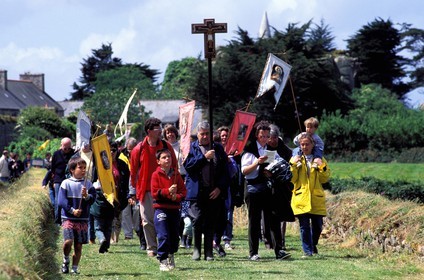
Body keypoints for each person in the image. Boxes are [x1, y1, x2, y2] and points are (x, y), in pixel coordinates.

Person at [241, 120, 291, 261]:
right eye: (262, 136)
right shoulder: (250, 149)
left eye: (267, 136)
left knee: (274, 219)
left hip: (268, 189)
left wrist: (275, 170)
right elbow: (244, 171)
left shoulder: (270, 149)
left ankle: (279, 250)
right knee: (254, 221)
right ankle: (253, 253)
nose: (265, 139)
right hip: (253, 189)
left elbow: (280, 162)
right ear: (257, 135)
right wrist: (257, 163)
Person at [130, 117, 178, 257]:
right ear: (149, 131)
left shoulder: (166, 146)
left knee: (165, 219)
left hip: (165, 189)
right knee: (147, 220)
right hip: (145, 189)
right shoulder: (138, 149)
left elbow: (174, 166)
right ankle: (152, 247)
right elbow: (133, 172)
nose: (161, 130)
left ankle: (166, 244)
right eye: (158, 128)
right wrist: (134, 190)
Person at [183, 121, 230, 261]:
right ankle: (197, 249)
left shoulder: (218, 149)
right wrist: (204, 158)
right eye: (202, 134)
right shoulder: (191, 148)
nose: (204, 137)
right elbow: (189, 166)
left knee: (211, 221)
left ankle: (208, 251)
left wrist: (219, 188)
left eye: (207, 134)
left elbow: (225, 172)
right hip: (197, 192)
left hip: (213, 191)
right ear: (197, 134)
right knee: (197, 219)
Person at [289, 133, 331, 257]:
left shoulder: (320, 159)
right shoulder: (295, 159)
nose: (305, 146)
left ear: (313, 145)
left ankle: (312, 246)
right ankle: (307, 251)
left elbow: (325, 179)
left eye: (307, 144)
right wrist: (293, 166)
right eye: (302, 144)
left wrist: (321, 166)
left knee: (318, 226)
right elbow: (292, 179)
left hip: (315, 199)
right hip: (301, 197)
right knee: (304, 226)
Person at [58, 157, 96, 274]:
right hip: (68, 218)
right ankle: (65, 260)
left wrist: (86, 196)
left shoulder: (88, 184)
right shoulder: (66, 183)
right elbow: (61, 201)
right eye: (80, 168)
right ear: (72, 170)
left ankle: (74, 268)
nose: (83, 170)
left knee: (78, 246)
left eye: (85, 168)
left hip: (82, 220)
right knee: (68, 241)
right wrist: (72, 210)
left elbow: (92, 199)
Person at [151, 148, 186, 271]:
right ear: (158, 161)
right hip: (161, 209)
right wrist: (167, 192)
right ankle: (163, 259)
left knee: (174, 236)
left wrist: (177, 196)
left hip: (174, 210)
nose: (167, 159)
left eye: (169, 157)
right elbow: (155, 193)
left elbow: (183, 192)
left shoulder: (176, 174)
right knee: (163, 235)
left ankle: (171, 254)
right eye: (164, 157)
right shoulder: (155, 175)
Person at [267, 124, 295, 250]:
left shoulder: (287, 151)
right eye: (270, 138)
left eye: (274, 138)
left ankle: (281, 240)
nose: (272, 141)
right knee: (268, 214)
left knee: (282, 215)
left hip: (283, 187)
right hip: (268, 186)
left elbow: (291, 168)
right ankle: (269, 239)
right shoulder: (264, 149)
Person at [120, 137, 146, 250]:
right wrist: (130, 194)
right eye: (129, 149)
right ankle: (129, 234)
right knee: (126, 213)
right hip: (128, 189)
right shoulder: (122, 157)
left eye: (132, 149)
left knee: (137, 214)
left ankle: (139, 233)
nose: (130, 151)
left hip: (139, 189)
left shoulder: (142, 156)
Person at [110, 141, 130, 244]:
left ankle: (116, 237)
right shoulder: (103, 164)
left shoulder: (122, 164)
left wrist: (128, 194)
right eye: (109, 150)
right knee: (109, 216)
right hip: (108, 195)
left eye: (113, 150)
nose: (111, 152)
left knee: (118, 216)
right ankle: (110, 236)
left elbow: (127, 179)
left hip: (119, 194)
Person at [51, 137, 75, 224]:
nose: (67, 150)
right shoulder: (56, 154)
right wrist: (53, 181)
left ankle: (68, 218)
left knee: (69, 199)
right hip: (58, 179)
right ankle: (58, 220)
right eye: (65, 148)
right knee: (58, 200)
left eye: (69, 148)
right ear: (61, 145)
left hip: (70, 179)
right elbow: (52, 169)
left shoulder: (73, 154)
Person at [90, 180, 115, 254]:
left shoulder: (94, 186)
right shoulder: (112, 187)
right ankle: (106, 246)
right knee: (108, 229)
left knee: (98, 229)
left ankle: (101, 239)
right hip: (109, 211)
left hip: (98, 211)